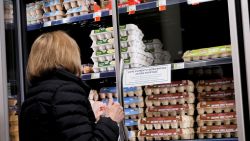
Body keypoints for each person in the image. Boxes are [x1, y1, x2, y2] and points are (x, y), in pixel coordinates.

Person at [20, 31, 124, 141]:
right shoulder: (66, 91)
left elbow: (58, 130)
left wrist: (87, 116)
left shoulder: (32, 95)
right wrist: (111, 119)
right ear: (69, 56)